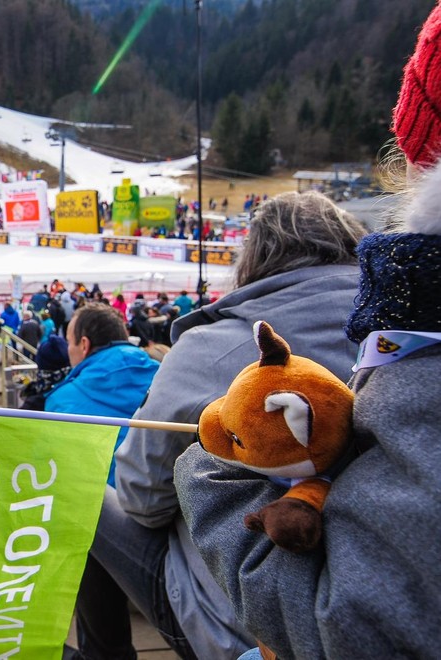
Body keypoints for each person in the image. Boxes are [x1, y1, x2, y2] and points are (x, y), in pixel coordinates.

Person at [175, 14, 441, 657]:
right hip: (320, 540)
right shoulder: (388, 312)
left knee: (113, 519)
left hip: (285, 605)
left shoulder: (419, 323)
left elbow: (359, 631)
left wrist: (209, 466)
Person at [70, 191, 366, 660]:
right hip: (382, 599)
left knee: (83, 494)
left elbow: (141, 498)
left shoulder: (216, 345)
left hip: (244, 624)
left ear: (253, 258)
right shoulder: (402, 330)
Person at [45, 303, 159, 486]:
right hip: (169, 505)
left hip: (98, 506)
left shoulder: (61, 401)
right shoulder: (166, 379)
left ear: (84, 345)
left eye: (68, 341)